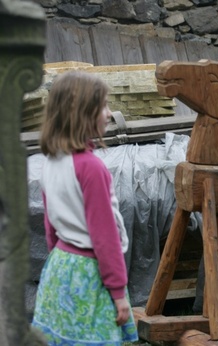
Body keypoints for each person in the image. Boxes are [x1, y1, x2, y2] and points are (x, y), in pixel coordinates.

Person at [31, 70, 139, 344]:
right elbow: (105, 237)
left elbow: (50, 225)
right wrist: (117, 292)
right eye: (103, 106)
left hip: (60, 266)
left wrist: (59, 258)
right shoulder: (91, 168)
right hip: (90, 273)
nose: (109, 112)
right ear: (83, 113)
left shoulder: (51, 163)